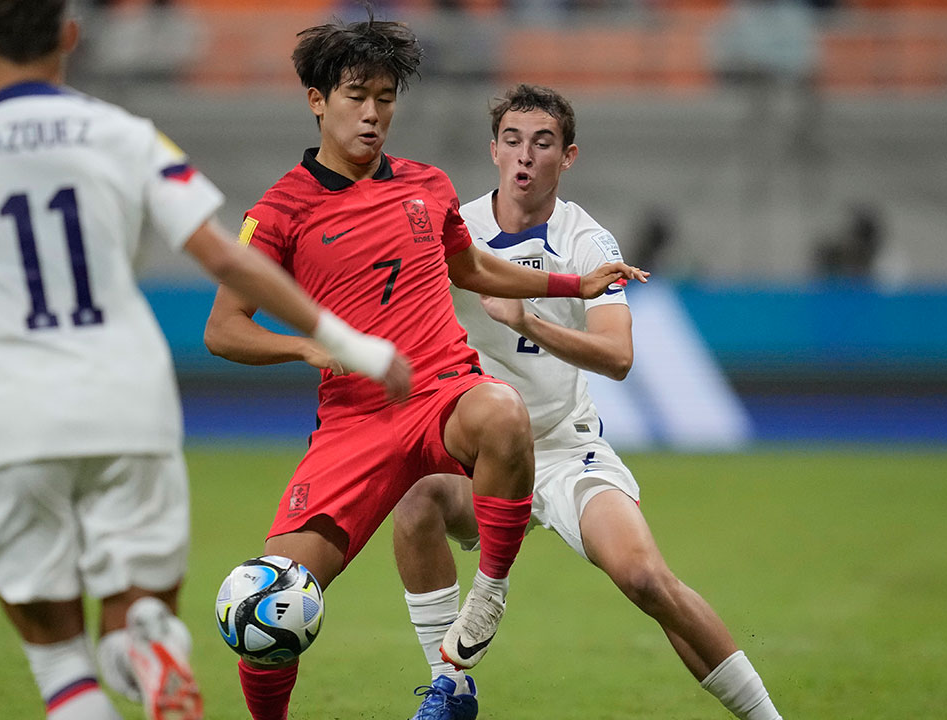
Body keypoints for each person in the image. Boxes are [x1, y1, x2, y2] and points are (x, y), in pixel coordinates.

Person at [0, 2, 409, 720]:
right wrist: (348, 341)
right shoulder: (125, 135)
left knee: (60, 662)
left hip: (13, 414)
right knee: (135, 608)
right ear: (70, 35)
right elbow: (225, 259)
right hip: (131, 403)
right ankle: (148, 640)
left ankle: (102, 671)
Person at [201, 16, 647, 720]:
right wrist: (306, 348)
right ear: (317, 100)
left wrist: (572, 284)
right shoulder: (280, 210)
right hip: (354, 422)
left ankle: (489, 593)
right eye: (356, 96)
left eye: (385, 98)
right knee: (267, 605)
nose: (373, 114)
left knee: (502, 411)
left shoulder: (426, 185)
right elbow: (223, 330)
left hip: (440, 391)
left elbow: (473, 269)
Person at [393, 84, 785, 720]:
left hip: (563, 448)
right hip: (481, 455)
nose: (525, 155)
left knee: (645, 579)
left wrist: (530, 320)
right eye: (513, 140)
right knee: (417, 503)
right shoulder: (455, 232)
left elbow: (618, 357)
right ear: (494, 151)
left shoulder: (588, 241)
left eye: (542, 143)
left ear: (567, 156)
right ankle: (451, 689)